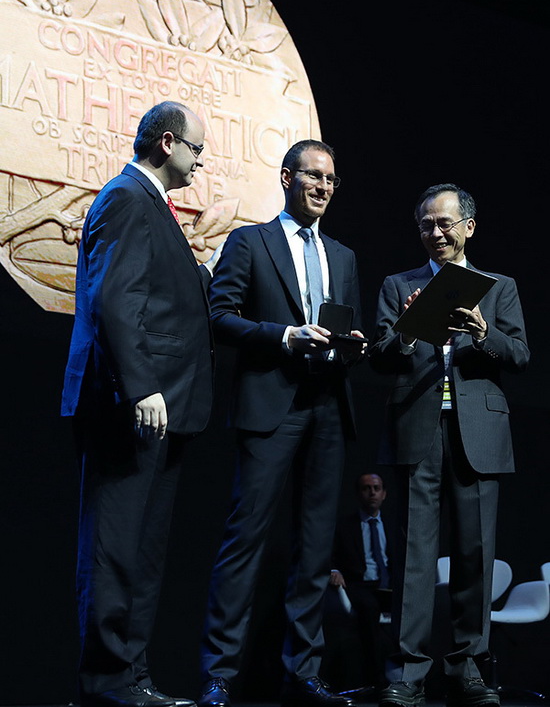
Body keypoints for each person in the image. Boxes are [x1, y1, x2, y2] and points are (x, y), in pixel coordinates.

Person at [198, 139, 366, 707]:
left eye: (331, 180)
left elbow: (347, 327)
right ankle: (219, 674)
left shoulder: (341, 255)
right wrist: (284, 335)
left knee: (316, 550)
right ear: (287, 178)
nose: (322, 187)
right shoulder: (250, 241)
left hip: (326, 409)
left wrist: (353, 345)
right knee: (245, 542)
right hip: (271, 406)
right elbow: (219, 317)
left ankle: (303, 672)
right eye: (313, 176)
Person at [61, 102, 215, 707]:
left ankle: (132, 679)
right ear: (168, 142)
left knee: (144, 552)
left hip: (167, 409)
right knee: (115, 547)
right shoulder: (127, 198)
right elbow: (112, 300)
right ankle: (106, 683)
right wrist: (141, 385)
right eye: (197, 150)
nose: (201, 161)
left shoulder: (155, 208)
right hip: (134, 406)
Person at [368, 183, 529, 707]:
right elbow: (381, 353)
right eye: (425, 225)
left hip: (477, 433)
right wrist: (411, 330)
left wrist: (484, 333)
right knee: (413, 558)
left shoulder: (497, 286)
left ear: (468, 227)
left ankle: (469, 670)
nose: (434, 233)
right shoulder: (399, 285)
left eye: (444, 224)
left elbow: (520, 355)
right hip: (418, 429)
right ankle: (407, 674)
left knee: (474, 556)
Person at [327, 473, 392, 692]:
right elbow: (330, 556)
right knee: (369, 607)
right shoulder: (345, 525)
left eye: (376, 488)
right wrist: (334, 571)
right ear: (358, 494)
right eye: (366, 488)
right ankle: (377, 679)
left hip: (389, 586)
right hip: (359, 585)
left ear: (384, 493)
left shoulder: (394, 525)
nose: (372, 492)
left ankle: (411, 677)